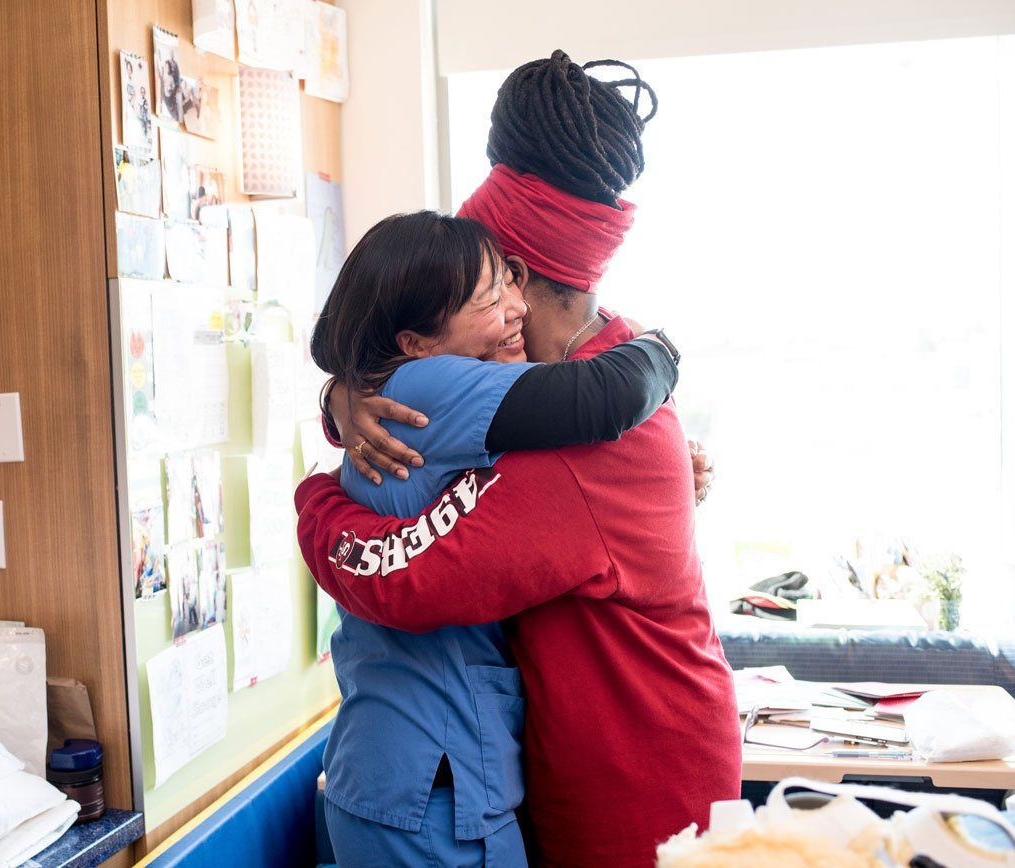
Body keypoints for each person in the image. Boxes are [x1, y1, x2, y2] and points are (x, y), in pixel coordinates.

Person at [300, 53, 740, 867]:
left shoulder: (581, 432)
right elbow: (421, 403)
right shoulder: (589, 361)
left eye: (487, 281)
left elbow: (404, 581)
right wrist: (345, 397)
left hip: (635, 780)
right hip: (575, 761)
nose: (487, 317)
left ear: (519, 278)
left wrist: (316, 503)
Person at [308, 209, 681, 867]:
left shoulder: (397, 392)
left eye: (512, 281)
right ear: (418, 343)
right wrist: (664, 349)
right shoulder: (432, 384)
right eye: (491, 298)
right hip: (432, 783)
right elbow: (600, 395)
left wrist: (338, 396)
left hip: (399, 772)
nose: (516, 308)